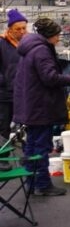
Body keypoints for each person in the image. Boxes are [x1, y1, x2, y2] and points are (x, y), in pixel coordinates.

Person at [13, 18, 70, 196]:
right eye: (57, 36)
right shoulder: (41, 50)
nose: (58, 39)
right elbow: (50, 78)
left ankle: (31, 182)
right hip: (41, 106)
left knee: (32, 144)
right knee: (41, 145)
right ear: (50, 36)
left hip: (31, 104)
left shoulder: (30, 48)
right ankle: (43, 184)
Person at [0, 9, 28, 144]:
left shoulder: (28, 44)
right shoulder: (2, 44)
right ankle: (3, 159)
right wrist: (5, 82)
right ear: (10, 30)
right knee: (3, 127)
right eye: (18, 29)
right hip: (5, 94)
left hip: (23, 93)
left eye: (24, 28)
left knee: (25, 126)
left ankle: (26, 156)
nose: (22, 32)